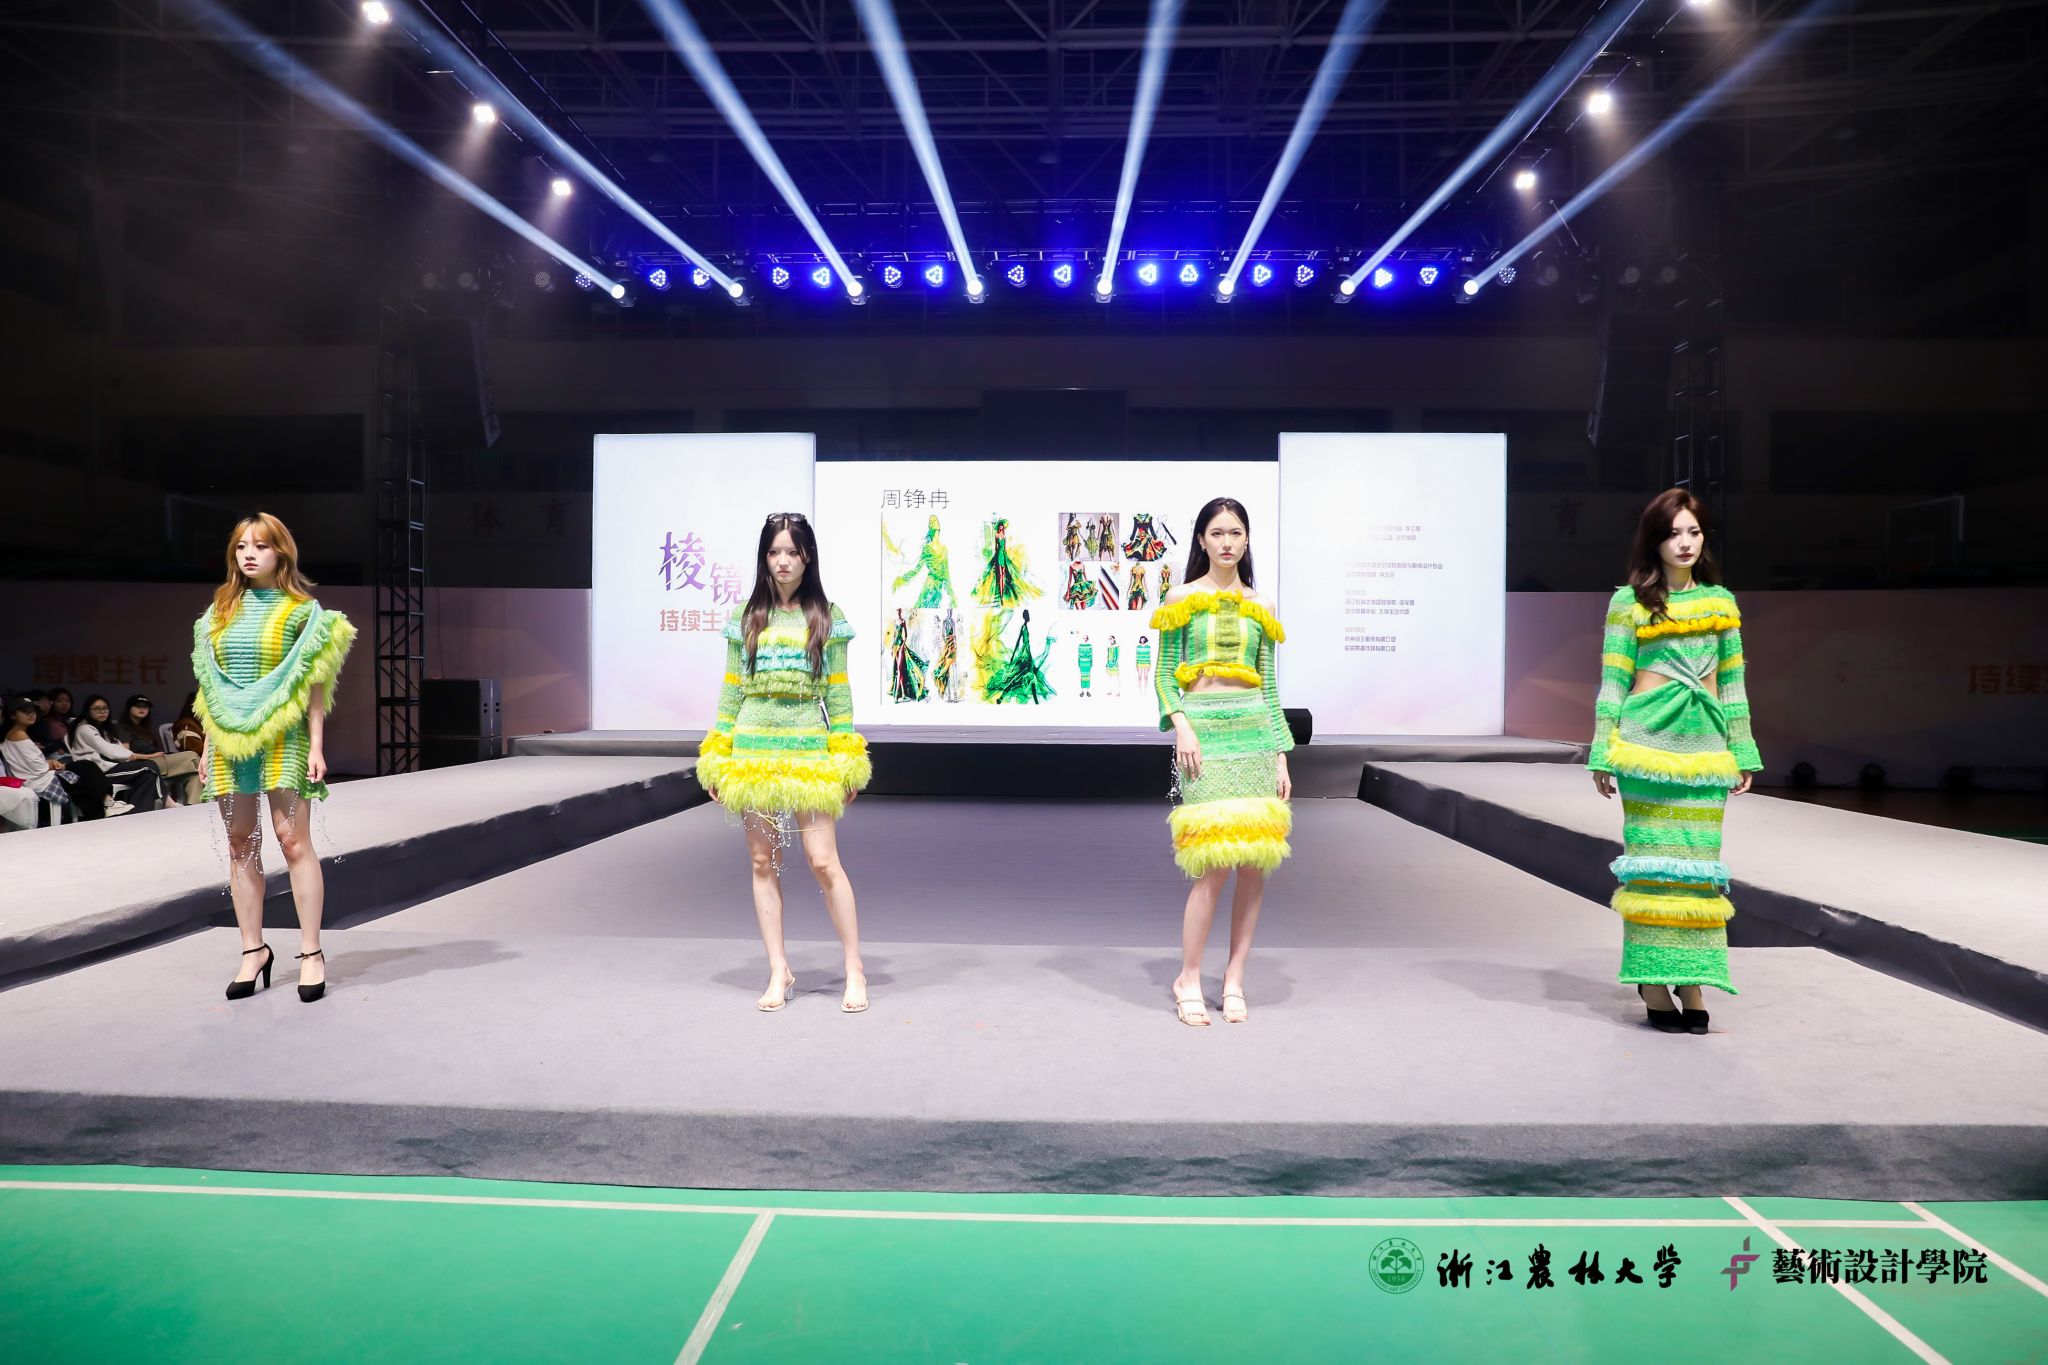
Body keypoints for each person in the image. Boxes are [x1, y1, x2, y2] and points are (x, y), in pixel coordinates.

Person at [1588, 489, 1761, 1036]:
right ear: (1654, 540)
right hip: (1645, 748)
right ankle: (1653, 981)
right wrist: (1601, 750)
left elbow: (1733, 684)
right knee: (1653, 866)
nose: (1685, 543)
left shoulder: (1720, 602)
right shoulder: (1628, 602)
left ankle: (1692, 981)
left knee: (1698, 870)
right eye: (1672, 533)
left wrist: (1743, 750)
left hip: (1705, 751)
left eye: (1694, 532)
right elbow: (1613, 681)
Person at [697, 512, 872, 1014]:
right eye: (774, 552)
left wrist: (846, 758)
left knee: (823, 861)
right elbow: (731, 693)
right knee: (761, 861)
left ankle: (854, 969)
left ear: (807, 557)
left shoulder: (827, 616)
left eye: (792, 552)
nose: (783, 561)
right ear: (764, 558)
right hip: (753, 749)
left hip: (808, 750)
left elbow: (838, 697)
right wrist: (718, 754)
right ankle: (779, 971)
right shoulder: (747, 616)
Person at [194, 513, 357, 1003]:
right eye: (242, 546)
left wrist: (318, 744)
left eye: (261, 546)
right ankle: (253, 950)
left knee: (293, 841)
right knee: (240, 843)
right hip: (228, 739)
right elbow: (211, 686)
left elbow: (314, 685)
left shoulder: (304, 613)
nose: (249, 554)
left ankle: (311, 952)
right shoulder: (218, 612)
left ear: (280, 552)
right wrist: (207, 745)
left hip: (285, 738)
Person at [1150, 497, 1292, 1026]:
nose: (1227, 542)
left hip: (1255, 734)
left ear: (1247, 539)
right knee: (1213, 864)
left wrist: (1280, 754)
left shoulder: (1262, 604)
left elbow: (1270, 686)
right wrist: (1182, 726)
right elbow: (1165, 674)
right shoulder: (1182, 597)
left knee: (1254, 863)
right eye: (1217, 533)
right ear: (1201, 540)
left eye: (1235, 532)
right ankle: (1188, 977)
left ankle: (1234, 978)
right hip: (1204, 737)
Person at [5, 694, 116, 820]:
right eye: (25, 711)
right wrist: (52, 764)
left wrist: (50, 762)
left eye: (33, 711)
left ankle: (106, 805)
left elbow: (30, 762)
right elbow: (38, 768)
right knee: (86, 768)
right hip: (40, 780)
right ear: (12, 715)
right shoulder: (19, 734)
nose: (31, 714)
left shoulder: (12, 734)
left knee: (85, 769)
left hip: (35, 778)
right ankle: (108, 804)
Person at [68, 694, 169, 811]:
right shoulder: (85, 728)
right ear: (87, 711)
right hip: (98, 772)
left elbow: (119, 748)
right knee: (149, 766)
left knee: (148, 777)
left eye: (105, 708)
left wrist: (137, 757)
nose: (102, 711)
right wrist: (148, 756)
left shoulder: (105, 729)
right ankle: (166, 801)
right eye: (96, 709)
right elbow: (110, 751)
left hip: (113, 766)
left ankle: (137, 813)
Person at [113, 693, 203, 805]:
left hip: (158, 763)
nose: (142, 708)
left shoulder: (146, 729)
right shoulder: (122, 728)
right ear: (129, 708)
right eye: (138, 705)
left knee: (195, 774)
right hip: (143, 765)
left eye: (145, 706)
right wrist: (150, 756)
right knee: (192, 756)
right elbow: (126, 756)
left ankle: (194, 806)